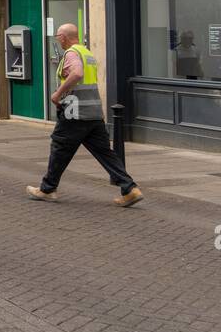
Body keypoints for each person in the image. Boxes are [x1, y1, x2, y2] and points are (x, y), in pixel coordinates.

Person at [27, 23, 143, 207]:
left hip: (74, 113)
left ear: (63, 37)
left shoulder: (72, 53)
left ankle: (47, 189)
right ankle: (130, 189)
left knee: (59, 148)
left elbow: (77, 73)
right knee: (106, 154)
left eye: (58, 36)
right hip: (94, 114)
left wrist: (57, 94)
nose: (57, 39)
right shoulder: (87, 53)